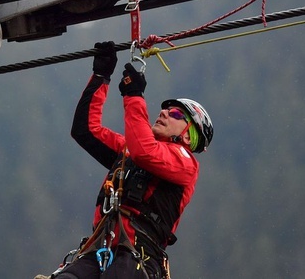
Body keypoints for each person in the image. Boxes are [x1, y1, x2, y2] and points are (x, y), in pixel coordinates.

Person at [45, 41, 213, 279]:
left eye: (175, 114)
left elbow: (146, 153)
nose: (163, 112)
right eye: (164, 109)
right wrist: (101, 76)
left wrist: (134, 96)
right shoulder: (129, 151)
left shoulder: (185, 163)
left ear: (188, 134)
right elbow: (86, 130)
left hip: (139, 258)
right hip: (100, 249)